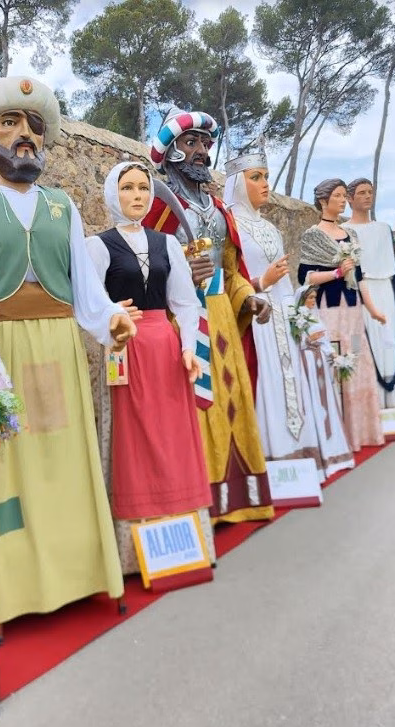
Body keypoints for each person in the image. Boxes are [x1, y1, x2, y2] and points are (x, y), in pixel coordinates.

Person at [0, 75, 135, 627]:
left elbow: (86, 291)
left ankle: (81, 574)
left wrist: (113, 323)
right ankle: (8, 591)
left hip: (58, 345)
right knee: (7, 465)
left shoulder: (62, 206)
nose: (24, 135)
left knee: (63, 459)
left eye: (33, 127)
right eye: (10, 124)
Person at [143, 107, 274, 524]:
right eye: (190, 143)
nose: (200, 151)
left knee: (230, 400)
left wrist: (249, 297)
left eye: (204, 144)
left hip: (221, 318)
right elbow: (143, 266)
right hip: (182, 320)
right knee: (194, 405)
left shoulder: (220, 211)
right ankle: (197, 499)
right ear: (171, 152)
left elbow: (232, 272)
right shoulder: (158, 207)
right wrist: (180, 264)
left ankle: (236, 500)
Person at [85, 161, 213, 572]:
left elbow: (185, 303)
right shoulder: (97, 246)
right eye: (128, 188)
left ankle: (184, 537)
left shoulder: (166, 244)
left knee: (173, 437)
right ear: (112, 194)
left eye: (143, 187)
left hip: (165, 348)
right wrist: (108, 312)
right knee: (131, 438)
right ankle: (132, 551)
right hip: (124, 348)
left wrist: (190, 348)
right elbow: (85, 303)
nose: (137, 195)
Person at [226, 143, 324, 474]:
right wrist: (259, 282)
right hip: (254, 318)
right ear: (239, 183)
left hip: (281, 318)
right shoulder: (229, 225)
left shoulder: (270, 227)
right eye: (256, 177)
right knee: (263, 385)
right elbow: (228, 277)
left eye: (267, 176)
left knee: (288, 384)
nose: (265, 183)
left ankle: (297, 457)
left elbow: (285, 282)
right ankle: (270, 462)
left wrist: (301, 320)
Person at [298, 178, 386, 450]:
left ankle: (363, 430)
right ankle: (339, 435)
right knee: (336, 362)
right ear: (324, 200)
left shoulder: (351, 235)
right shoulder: (312, 235)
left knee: (358, 358)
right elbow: (306, 276)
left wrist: (372, 309)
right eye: (337, 195)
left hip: (353, 311)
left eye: (341, 195)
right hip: (330, 310)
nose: (341, 200)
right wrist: (336, 272)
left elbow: (359, 277)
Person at [347, 178, 395, 407]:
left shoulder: (383, 228)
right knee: (368, 338)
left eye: (370, 192)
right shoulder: (345, 230)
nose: (367, 196)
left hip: (386, 288)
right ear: (350, 198)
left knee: (389, 336)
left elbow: (394, 266)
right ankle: (374, 401)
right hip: (364, 288)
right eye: (361, 193)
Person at [294, 284, 355, 476]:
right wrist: (307, 341)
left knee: (327, 404)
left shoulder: (315, 316)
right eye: (309, 298)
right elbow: (295, 342)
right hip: (308, 364)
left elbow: (326, 342)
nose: (312, 301)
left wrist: (335, 357)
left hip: (321, 362)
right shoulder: (298, 318)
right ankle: (320, 448)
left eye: (314, 297)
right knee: (314, 402)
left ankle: (335, 448)